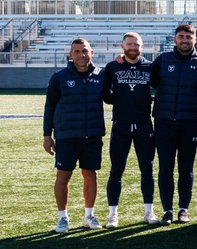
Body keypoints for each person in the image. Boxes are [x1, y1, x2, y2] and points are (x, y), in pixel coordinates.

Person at [150, 23, 197, 224]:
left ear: (195, 39)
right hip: (164, 122)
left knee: (186, 168)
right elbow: (149, 79)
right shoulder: (162, 60)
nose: (185, 40)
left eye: (188, 37)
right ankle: (167, 210)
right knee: (165, 167)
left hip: (189, 124)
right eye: (181, 37)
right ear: (175, 39)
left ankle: (183, 209)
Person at [43, 38, 106, 232]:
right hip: (67, 136)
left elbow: (114, 96)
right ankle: (63, 218)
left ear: (91, 53)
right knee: (63, 176)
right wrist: (47, 135)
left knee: (91, 175)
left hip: (92, 135)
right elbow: (49, 107)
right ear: (71, 55)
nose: (81, 55)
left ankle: (89, 216)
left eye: (85, 51)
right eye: (77, 51)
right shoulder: (59, 77)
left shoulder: (101, 75)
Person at [101, 31, 156, 228]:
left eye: (136, 44)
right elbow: (105, 93)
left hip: (144, 125)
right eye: (129, 44)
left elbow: (163, 86)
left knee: (147, 169)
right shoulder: (112, 66)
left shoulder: (151, 66)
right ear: (122, 46)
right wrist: (120, 100)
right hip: (121, 125)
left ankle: (149, 212)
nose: (133, 47)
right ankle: (112, 215)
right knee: (116, 170)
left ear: (142, 46)